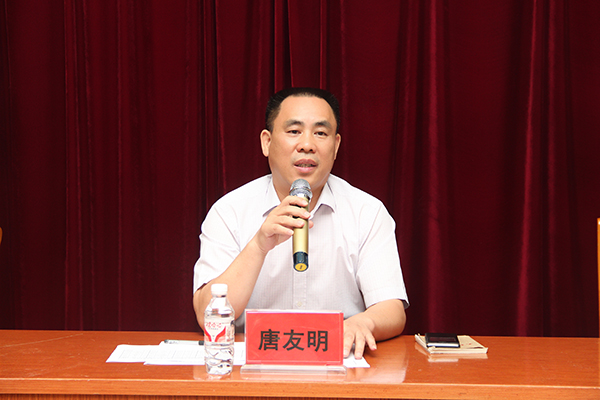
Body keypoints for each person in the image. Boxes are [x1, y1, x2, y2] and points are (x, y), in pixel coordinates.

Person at [193, 87, 408, 358]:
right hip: (254, 366)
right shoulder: (229, 211)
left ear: (336, 146)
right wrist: (258, 246)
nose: (307, 144)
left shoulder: (367, 211)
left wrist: (363, 323)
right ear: (266, 142)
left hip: (339, 362)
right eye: (294, 131)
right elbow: (207, 314)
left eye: (320, 133)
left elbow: (392, 308)